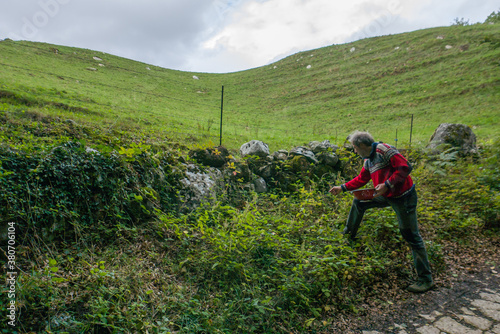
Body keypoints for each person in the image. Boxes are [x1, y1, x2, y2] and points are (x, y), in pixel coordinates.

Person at [329, 131, 434, 293]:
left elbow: (406, 167)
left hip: (404, 197)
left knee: (411, 236)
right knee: (359, 201)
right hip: (387, 195)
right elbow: (362, 179)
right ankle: (348, 235)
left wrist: (387, 184)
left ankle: (425, 279)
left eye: (355, 148)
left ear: (362, 145)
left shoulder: (385, 150)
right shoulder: (368, 160)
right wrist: (341, 188)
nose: (355, 151)